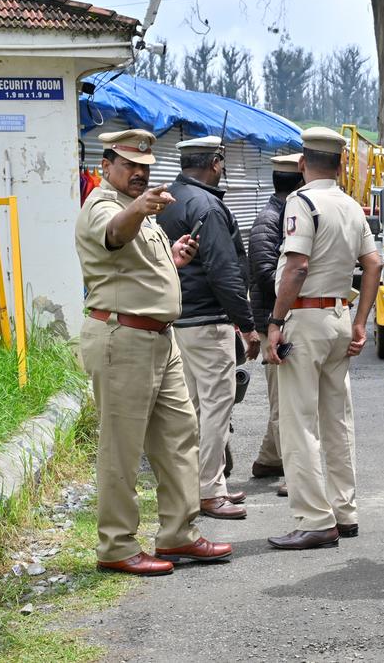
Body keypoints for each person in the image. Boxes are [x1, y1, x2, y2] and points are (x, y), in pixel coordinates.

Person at [76, 129, 231, 576]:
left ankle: (178, 532)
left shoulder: (139, 212)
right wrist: (138, 209)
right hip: (123, 337)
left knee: (180, 434)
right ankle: (116, 545)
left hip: (160, 339)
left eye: (144, 168)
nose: (139, 174)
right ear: (106, 166)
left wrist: (174, 256)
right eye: (129, 166)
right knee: (121, 447)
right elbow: (113, 233)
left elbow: (135, 261)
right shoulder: (104, 206)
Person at [264, 128, 381, 551]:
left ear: (302, 164)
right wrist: (361, 320)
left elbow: (295, 266)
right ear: (338, 165)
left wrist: (275, 321)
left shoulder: (302, 201)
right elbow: (373, 263)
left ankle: (315, 519)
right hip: (338, 317)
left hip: (306, 318)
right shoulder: (351, 205)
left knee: (299, 424)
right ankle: (344, 511)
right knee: (337, 420)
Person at [158, 136, 258, 521]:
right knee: (217, 407)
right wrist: (247, 326)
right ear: (216, 163)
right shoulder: (208, 205)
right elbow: (224, 271)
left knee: (195, 410)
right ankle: (210, 491)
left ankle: (201, 484)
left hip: (177, 319)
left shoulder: (168, 199)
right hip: (208, 322)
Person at [248, 154, 304, 492]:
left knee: (282, 395)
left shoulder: (281, 215)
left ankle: (269, 460)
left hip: (278, 318)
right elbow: (268, 274)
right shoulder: (270, 221)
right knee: (284, 400)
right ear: (298, 183)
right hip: (274, 320)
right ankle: (293, 471)